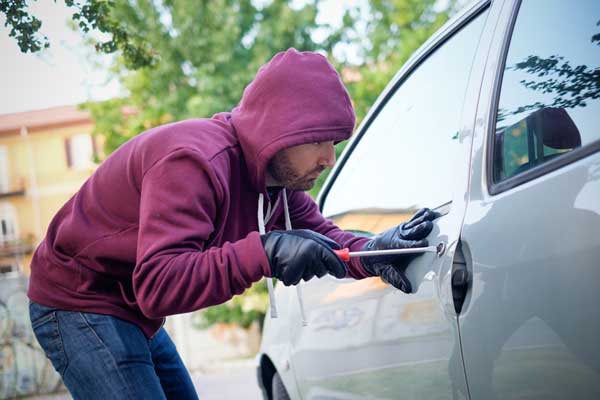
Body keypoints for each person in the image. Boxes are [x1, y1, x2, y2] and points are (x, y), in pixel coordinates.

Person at [27, 48, 437, 399]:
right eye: (317, 140)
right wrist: (265, 252)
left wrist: (376, 251)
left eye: (335, 142)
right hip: (77, 300)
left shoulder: (275, 183)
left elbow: (325, 236)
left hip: (129, 307)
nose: (328, 158)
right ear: (280, 130)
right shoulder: (193, 163)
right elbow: (157, 285)